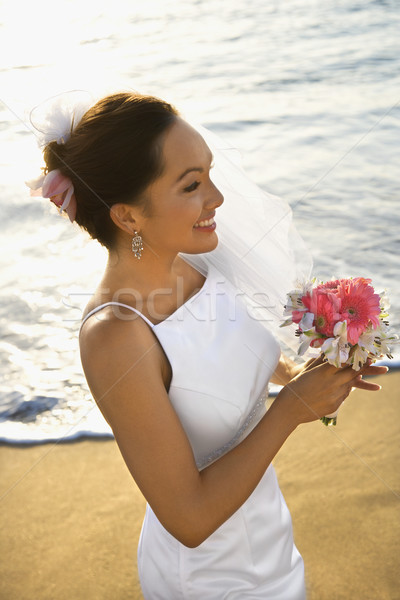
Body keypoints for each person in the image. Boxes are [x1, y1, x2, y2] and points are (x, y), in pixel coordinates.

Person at [28, 91, 387, 599]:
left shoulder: (200, 261)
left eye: (209, 174)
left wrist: (322, 360)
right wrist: (291, 410)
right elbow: (189, 519)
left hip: (270, 541)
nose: (216, 198)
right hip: (207, 579)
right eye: (192, 185)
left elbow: (241, 360)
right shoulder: (116, 336)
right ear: (129, 217)